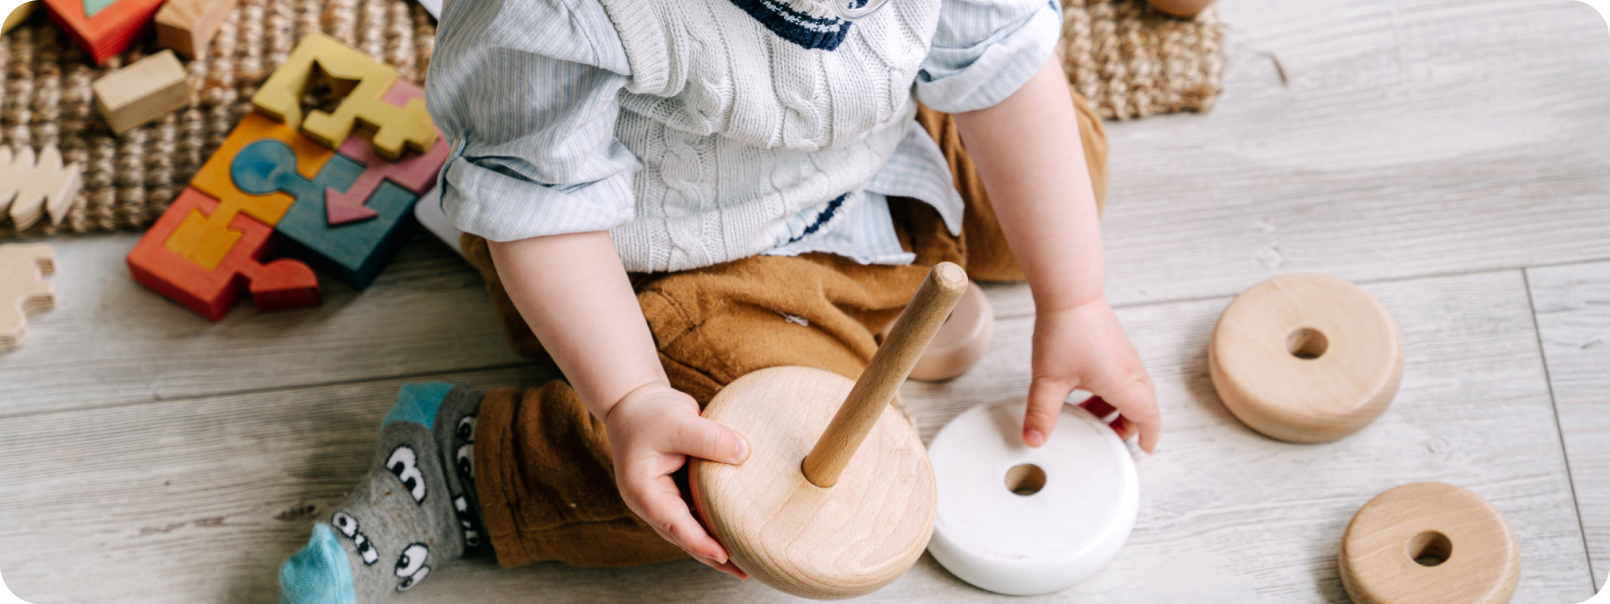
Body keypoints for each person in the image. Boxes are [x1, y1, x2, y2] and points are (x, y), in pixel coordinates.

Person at [280, 0, 1160, 600]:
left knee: (1064, 167)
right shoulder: (554, 15)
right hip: (659, 246)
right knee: (736, 464)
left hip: (864, 145)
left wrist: (1076, 300)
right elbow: (538, 204)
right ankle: (467, 466)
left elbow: (997, 58)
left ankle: (886, 280)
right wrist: (629, 399)